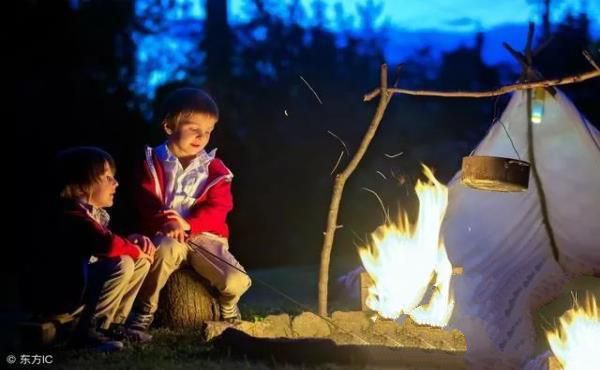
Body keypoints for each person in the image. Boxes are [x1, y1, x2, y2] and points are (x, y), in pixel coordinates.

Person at [128, 88, 251, 335]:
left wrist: (190, 225)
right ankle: (144, 310)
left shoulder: (215, 170)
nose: (202, 137)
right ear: (169, 126)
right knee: (162, 254)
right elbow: (146, 199)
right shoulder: (151, 162)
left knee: (235, 280)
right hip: (166, 235)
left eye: (208, 131)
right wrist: (167, 222)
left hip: (204, 237)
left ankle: (228, 305)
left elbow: (219, 207)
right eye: (194, 129)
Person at [54, 147, 155, 351]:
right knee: (123, 262)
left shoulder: (94, 215)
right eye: (108, 177)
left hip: (85, 284)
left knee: (140, 261)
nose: (116, 183)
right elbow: (106, 245)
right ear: (82, 184)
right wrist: (132, 249)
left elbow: (107, 241)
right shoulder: (71, 215)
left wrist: (131, 243)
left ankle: (113, 325)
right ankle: (89, 330)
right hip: (65, 291)